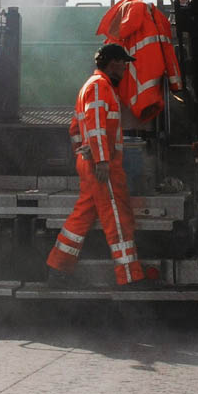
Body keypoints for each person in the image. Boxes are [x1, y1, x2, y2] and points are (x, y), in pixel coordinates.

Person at [46, 44, 145, 286]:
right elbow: (97, 125)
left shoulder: (91, 87)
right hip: (104, 166)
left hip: (94, 163)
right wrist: (100, 160)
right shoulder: (101, 87)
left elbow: (75, 127)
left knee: (82, 216)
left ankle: (58, 269)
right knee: (118, 219)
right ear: (113, 63)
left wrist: (83, 154)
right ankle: (129, 278)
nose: (126, 67)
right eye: (124, 62)